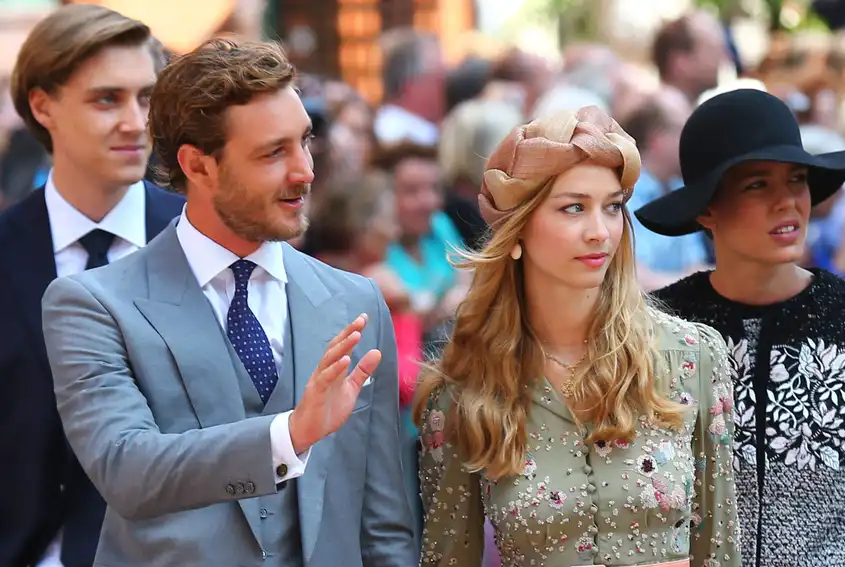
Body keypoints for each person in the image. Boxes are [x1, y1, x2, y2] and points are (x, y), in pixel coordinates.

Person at [38, 39, 416, 566]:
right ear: (198, 165)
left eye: (304, 142)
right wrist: (288, 435)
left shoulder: (356, 300)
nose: (304, 171)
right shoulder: (92, 304)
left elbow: (384, 526)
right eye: (272, 153)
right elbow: (127, 471)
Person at [412, 106, 742, 567]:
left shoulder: (691, 356)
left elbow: (719, 548)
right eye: (573, 208)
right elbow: (447, 558)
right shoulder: (462, 389)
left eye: (612, 208)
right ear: (519, 227)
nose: (599, 232)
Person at [635, 88, 845, 567]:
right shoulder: (657, 329)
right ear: (706, 209)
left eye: (796, 180)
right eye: (757, 185)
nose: (787, 202)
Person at [0, 6, 183, 567]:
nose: (134, 121)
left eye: (146, 98)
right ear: (42, 105)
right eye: (107, 99)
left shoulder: (211, 238)